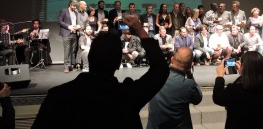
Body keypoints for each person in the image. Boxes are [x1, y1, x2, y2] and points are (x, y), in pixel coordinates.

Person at [31, 16, 169, 129]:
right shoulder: (127, 95)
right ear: (117, 63)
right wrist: (141, 31)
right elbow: (161, 70)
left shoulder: (58, 95)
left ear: (90, 58)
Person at [213, 51, 263, 129]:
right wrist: (243, 74)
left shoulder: (235, 90)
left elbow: (218, 98)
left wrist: (219, 77)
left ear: (243, 66)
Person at [147, 47, 203, 129]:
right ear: (191, 65)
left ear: (172, 59)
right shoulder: (189, 85)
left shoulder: (155, 78)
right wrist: (190, 75)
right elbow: (198, 98)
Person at [58, 0, 80, 73]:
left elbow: (76, 22)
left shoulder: (76, 12)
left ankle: (71, 65)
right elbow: (60, 21)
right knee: (67, 50)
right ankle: (66, 66)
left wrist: (77, 26)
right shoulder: (64, 11)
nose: (75, 8)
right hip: (66, 33)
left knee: (73, 51)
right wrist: (68, 26)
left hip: (74, 33)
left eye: (76, 6)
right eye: (73, 6)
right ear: (70, 5)